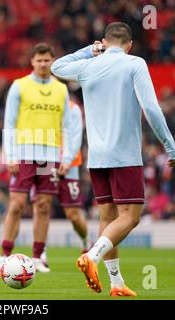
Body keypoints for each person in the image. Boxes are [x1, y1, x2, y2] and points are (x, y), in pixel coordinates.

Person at [51, 22, 175, 296]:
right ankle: (91, 257)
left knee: (108, 218)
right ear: (129, 44)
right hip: (125, 155)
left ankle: (116, 284)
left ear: (104, 43)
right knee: (130, 218)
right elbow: (151, 108)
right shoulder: (135, 64)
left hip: (97, 158)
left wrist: (89, 50)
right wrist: (170, 145)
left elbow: (56, 67)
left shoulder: (87, 66)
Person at [0, 43, 76, 272]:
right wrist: (11, 155)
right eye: (39, 60)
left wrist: (66, 157)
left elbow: (67, 125)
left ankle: (37, 256)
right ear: (32, 62)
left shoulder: (61, 89)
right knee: (17, 204)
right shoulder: (20, 86)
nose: (43, 64)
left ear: (52, 61)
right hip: (24, 154)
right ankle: (5, 253)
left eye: (47, 60)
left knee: (44, 205)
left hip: (50, 156)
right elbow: (8, 122)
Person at [31, 99, 91, 269]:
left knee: (72, 213)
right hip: (46, 161)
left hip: (69, 165)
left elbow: (76, 136)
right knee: (41, 205)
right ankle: (40, 253)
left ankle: (86, 242)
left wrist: (68, 159)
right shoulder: (40, 105)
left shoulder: (72, 108)